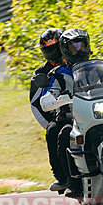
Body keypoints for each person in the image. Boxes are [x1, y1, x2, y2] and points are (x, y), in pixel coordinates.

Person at [41, 28, 93, 198]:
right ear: (65, 50)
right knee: (61, 133)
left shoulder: (97, 67)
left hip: (94, 113)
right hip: (70, 117)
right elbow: (49, 92)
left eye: (82, 45)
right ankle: (71, 181)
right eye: (74, 47)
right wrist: (50, 98)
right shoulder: (58, 74)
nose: (79, 50)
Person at [30, 28, 72, 192]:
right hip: (61, 116)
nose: (53, 53)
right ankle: (62, 177)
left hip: (88, 108)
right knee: (53, 134)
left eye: (56, 48)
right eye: (49, 50)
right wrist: (49, 123)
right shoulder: (40, 73)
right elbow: (35, 104)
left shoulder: (77, 61)